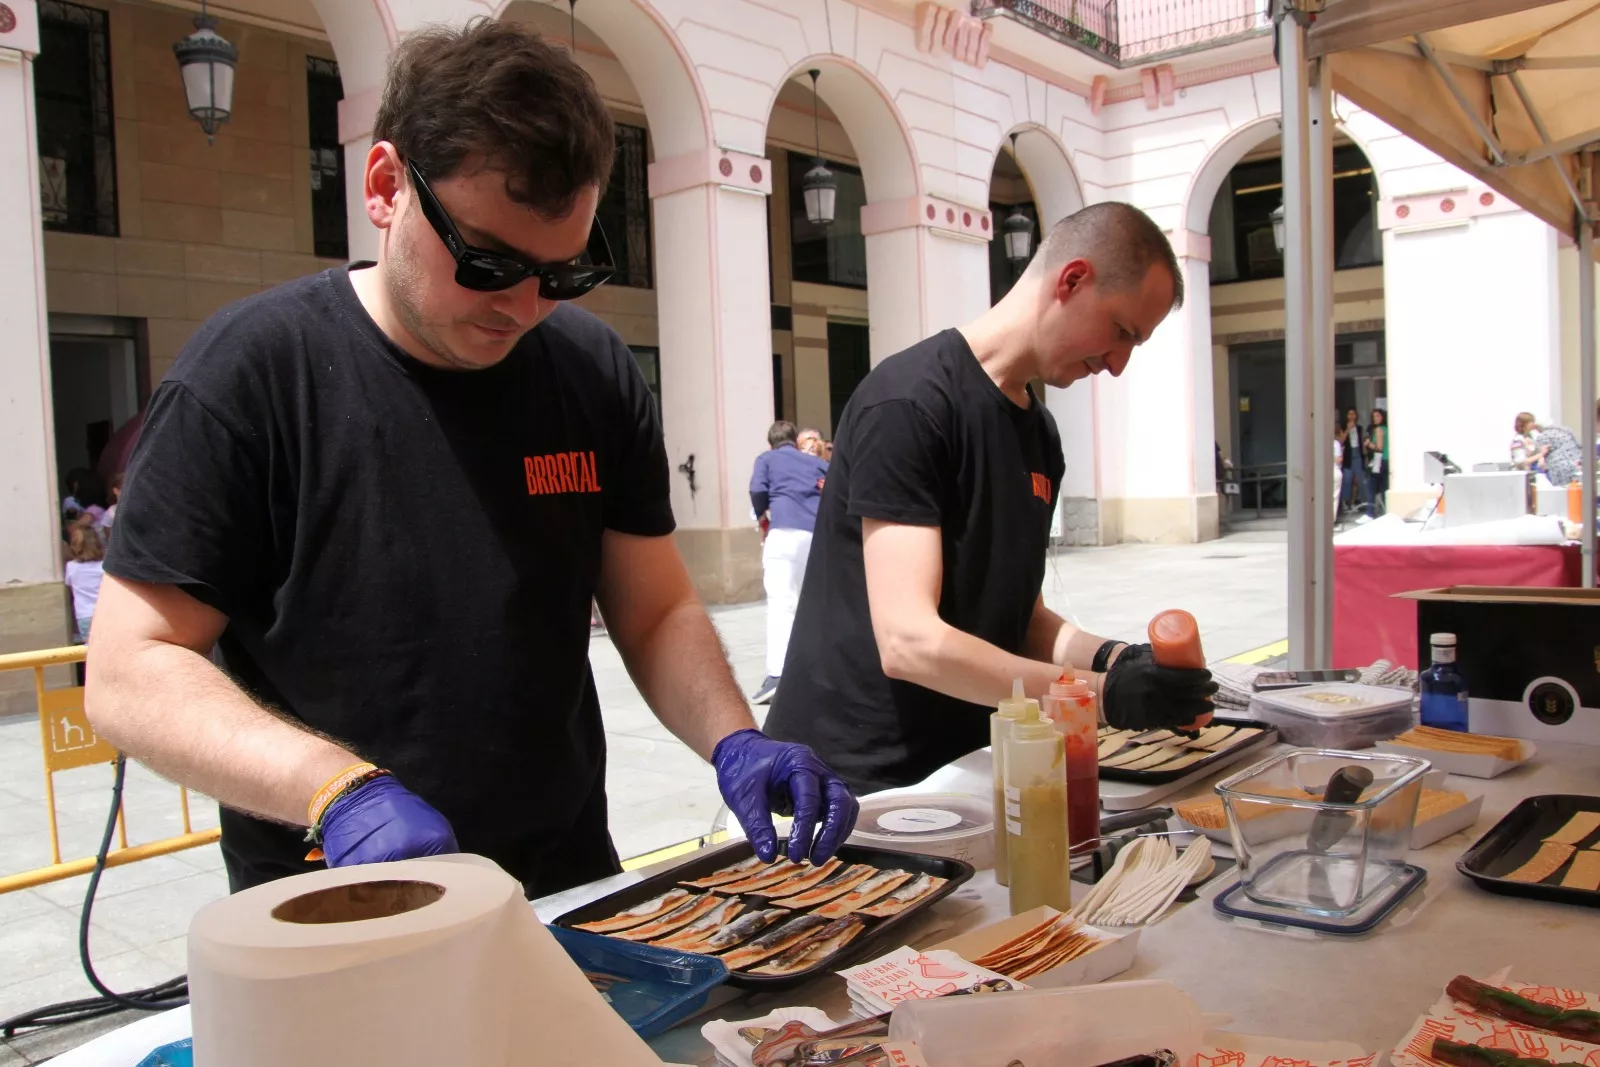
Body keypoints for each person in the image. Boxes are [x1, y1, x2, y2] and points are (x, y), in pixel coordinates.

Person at [86, 20, 857, 898]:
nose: (525, 306)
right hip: (335, 902)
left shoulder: (591, 371)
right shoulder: (252, 375)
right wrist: (334, 789)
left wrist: (733, 736)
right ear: (386, 188)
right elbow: (128, 668)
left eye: (562, 274)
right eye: (489, 263)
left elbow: (653, 610)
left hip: (568, 884)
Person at [765, 203, 1217, 793]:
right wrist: (1101, 696)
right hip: (852, 784)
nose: (1117, 365)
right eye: (1122, 332)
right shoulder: (908, 403)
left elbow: (1014, 616)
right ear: (1072, 280)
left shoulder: (1040, 434)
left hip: (966, 767)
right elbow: (909, 642)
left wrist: (1114, 658)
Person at [748, 420, 829, 705]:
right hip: (815, 538)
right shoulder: (815, 463)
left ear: (771, 443)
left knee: (783, 605)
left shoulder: (767, 459)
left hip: (783, 533)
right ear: (796, 441)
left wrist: (761, 514)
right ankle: (820, 672)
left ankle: (778, 676)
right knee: (814, 605)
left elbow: (757, 490)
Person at [65, 524, 105, 645]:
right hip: (106, 613)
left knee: (90, 652)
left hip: (84, 615)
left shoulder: (71, 567)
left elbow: (70, 587)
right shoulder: (104, 566)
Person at [1339, 408, 1368, 516]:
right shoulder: (1343, 427)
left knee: (1361, 480)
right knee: (1347, 481)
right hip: (1348, 457)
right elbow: (1341, 441)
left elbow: (1362, 442)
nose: (1351, 416)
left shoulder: (1360, 428)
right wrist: (1347, 429)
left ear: (1356, 416)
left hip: (1358, 456)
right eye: (1349, 414)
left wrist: (1365, 457)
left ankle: (1364, 502)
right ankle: (1346, 504)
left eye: (1353, 414)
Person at [1365, 408, 1389, 517]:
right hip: (1387, 460)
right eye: (1374, 416)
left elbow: (1379, 447)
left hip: (1378, 460)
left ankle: (1370, 513)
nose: (1375, 418)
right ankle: (1385, 513)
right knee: (1384, 488)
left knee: (1370, 486)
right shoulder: (1387, 429)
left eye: (1377, 416)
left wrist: (1369, 444)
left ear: (1382, 417)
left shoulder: (1379, 429)